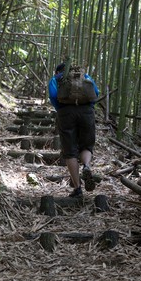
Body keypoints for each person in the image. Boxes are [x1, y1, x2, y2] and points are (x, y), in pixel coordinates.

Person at [48, 62, 99, 197]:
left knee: (70, 152)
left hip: (66, 113)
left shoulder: (56, 79)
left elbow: (53, 96)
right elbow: (96, 92)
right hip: (87, 111)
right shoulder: (84, 76)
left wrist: (61, 109)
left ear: (57, 72)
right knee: (86, 146)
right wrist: (88, 106)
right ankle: (87, 166)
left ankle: (78, 188)